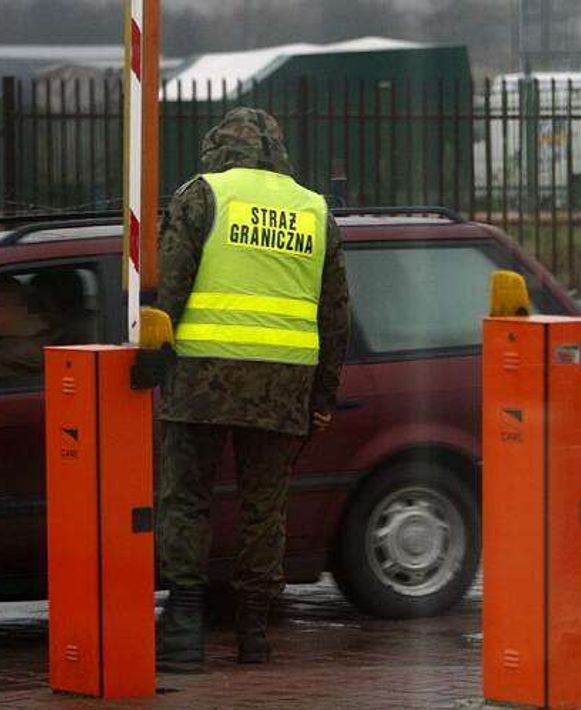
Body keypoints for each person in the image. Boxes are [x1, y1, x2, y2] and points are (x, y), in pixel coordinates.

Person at [153, 107, 350, 672]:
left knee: (187, 499)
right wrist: (323, 399)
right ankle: (254, 634)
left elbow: (170, 288)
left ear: (218, 148)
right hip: (284, 385)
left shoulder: (201, 196)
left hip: (202, 382)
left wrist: (153, 356)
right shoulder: (315, 211)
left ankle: (185, 628)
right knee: (265, 510)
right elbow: (334, 315)